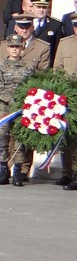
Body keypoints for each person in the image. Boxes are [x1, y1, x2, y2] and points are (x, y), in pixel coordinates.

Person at [0, 34, 36, 187]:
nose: (14, 49)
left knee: (20, 141)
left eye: (17, 46)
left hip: (21, 109)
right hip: (3, 108)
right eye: (12, 46)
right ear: (8, 48)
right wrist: (13, 101)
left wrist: (21, 103)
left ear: (22, 48)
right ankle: (3, 171)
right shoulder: (0, 65)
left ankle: (17, 172)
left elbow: (31, 87)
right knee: (2, 138)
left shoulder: (29, 67)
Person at [52, 30, 77, 189]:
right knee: (66, 136)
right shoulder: (65, 43)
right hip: (67, 97)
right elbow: (57, 68)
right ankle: (67, 173)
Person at [30, 0, 63, 66]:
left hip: (46, 66)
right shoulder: (26, 23)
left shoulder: (55, 25)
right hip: (26, 66)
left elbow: (57, 48)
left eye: (44, 7)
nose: (41, 10)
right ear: (32, 7)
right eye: (38, 7)